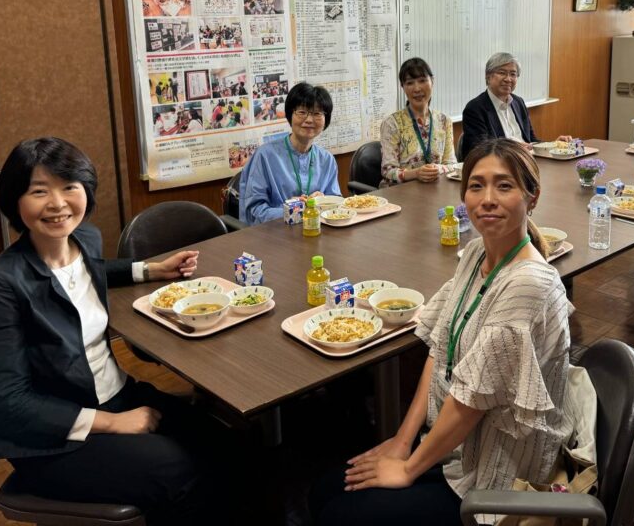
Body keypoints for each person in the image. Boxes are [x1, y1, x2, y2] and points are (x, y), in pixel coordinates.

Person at [309, 139, 572, 525]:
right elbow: (440, 344)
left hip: (495, 474)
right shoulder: (477, 254)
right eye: (476, 186)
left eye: (504, 186)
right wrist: (402, 441)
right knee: (323, 492)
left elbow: (471, 401)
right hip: (458, 447)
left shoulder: (528, 283)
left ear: (532, 197)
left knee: (339, 514)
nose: (487, 199)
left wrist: (408, 468)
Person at [0, 138, 232, 523]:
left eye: (69, 187)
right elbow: (9, 401)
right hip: (54, 436)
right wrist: (113, 423)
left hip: (116, 393)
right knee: (179, 470)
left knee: (220, 438)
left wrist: (150, 269)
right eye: (39, 191)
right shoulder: (0, 285)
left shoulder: (84, 239)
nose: (57, 203)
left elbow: (89, 271)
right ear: (15, 200)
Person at [238, 82, 341, 225]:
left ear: (326, 119)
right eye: (302, 112)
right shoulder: (265, 156)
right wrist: (293, 209)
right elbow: (254, 211)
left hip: (316, 230)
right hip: (274, 233)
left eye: (317, 113)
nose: (309, 120)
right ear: (290, 115)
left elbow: (336, 204)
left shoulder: (327, 159)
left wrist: (323, 202)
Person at [460, 52, 569, 159]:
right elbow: (479, 150)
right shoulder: (475, 108)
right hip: (501, 164)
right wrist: (512, 148)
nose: (508, 79)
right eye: (502, 73)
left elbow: (531, 140)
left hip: (526, 160)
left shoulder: (518, 102)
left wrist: (553, 145)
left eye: (513, 74)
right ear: (488, 76)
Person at [380, 58, 456, 187]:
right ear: (402, 87)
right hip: (400, 191)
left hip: (436, 188)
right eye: (410, 83)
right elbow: (388, 171)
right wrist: (416, 173)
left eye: (422, 80)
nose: (417, 89)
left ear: (432, 81)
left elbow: (452, 165)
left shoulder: (444, 120)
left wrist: (436, 169)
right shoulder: (392, 123)